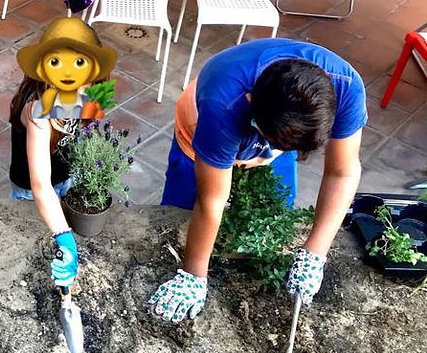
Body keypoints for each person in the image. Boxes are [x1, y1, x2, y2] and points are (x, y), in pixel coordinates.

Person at [148, 38, 367, 323]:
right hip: (202, 127)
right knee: (180, 215)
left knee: (274, 213)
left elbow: (343, 172)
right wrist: (193, 275)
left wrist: (315, 253)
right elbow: (212, 201)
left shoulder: (346, 88)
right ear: (252, 104)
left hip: (280, 125)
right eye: (272, 141)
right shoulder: (222, 104)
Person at [11, 17, 117, 289]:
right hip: (31, 189)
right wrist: (65, 238)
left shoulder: (88, 93)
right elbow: (40, 185)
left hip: (66, 177)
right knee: (33, 242)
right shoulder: (36, 110)